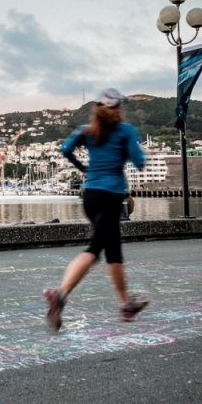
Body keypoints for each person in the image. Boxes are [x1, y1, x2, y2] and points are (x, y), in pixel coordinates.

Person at [44, 88, 148, 331]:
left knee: (113, 250)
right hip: (111, 196)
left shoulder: (87, 131)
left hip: (90, 196)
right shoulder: (125, 131)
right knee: (96, 248)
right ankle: (61, 294)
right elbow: (139, 162)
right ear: (118, 108)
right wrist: (136, 152)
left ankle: (125, 304)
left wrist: (84, 168)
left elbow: (65, 150)